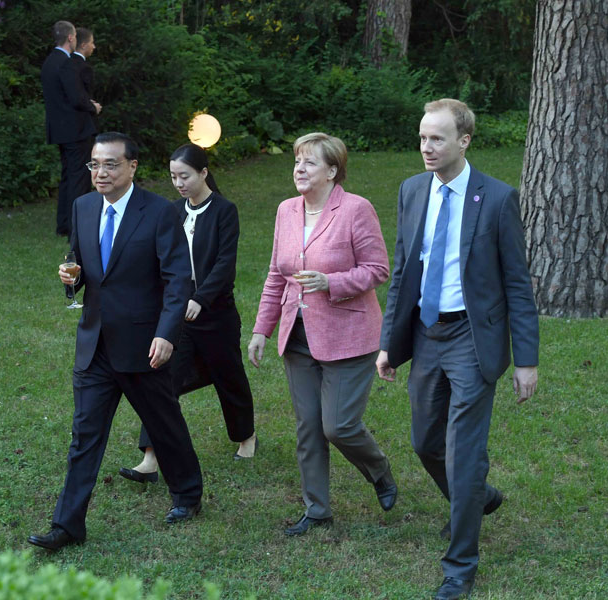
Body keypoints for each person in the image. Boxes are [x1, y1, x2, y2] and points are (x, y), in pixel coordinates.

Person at [376, 99, 539, 600]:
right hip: (426, 334)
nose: (427, 147)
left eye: (438, 138)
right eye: (423, 137)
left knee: (464, 452)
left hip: (473, 336)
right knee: (425, 442)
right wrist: (388, 343)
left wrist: (527, 359)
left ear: (463, 141)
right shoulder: (410, 190)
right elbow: (403, 270)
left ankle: (460, 565)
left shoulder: (496, 198)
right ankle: (477, 500)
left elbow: (517, 283)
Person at [27, 132, 203, 551]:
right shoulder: (83, 207)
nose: (100, 173)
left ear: (132, 167)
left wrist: (166, 333)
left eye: (110, 165)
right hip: (95, 345)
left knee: (164, 423)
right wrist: (73, 279)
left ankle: (188, 493)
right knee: (84, 435)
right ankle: (68, 525)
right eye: (94, 164)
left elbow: (178, 280)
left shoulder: (160, 213)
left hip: (144, 344)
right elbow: (82, 265)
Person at [247, 132, 398, 538]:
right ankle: (317, 510)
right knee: (309, 427)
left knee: (339, 426)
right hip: (297, 337)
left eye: (309, 162)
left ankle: (379, 470)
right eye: (297, 161)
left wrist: (330, 282)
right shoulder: (286, 211)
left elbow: (378, 269)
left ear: (332, 171)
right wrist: (263, 328)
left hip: (348, 334)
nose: (299, 168)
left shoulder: (355, 210)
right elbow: (276, 276)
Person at [118, 143, 257, 484]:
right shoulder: (173, 212)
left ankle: (246, 436)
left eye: (184, 176)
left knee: (229, 376)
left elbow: (225, 265)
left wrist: (202, 298)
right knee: (161, 379)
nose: (178, 183)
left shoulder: (225, 211)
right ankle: (151, 457)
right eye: (172, 177)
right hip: (179, 313)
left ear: (204, 173)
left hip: (216, 314)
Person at [40, 20, 101, 238]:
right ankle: (76, 226)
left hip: (58, 129)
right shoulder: (65, 64)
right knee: (79, 177)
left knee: (68, 176)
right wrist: (92, 107)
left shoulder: (49, 62)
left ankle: (64, 223)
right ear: (70, 38)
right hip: (75, 129)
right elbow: (76, 97)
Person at [71, 27, 101, 128]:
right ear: (83, 45)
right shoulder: (84, 68)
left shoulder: (66, 63)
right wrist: (92, 106)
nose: (94, 46)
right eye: (92, 43)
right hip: (82, 122)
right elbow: (83, 95)